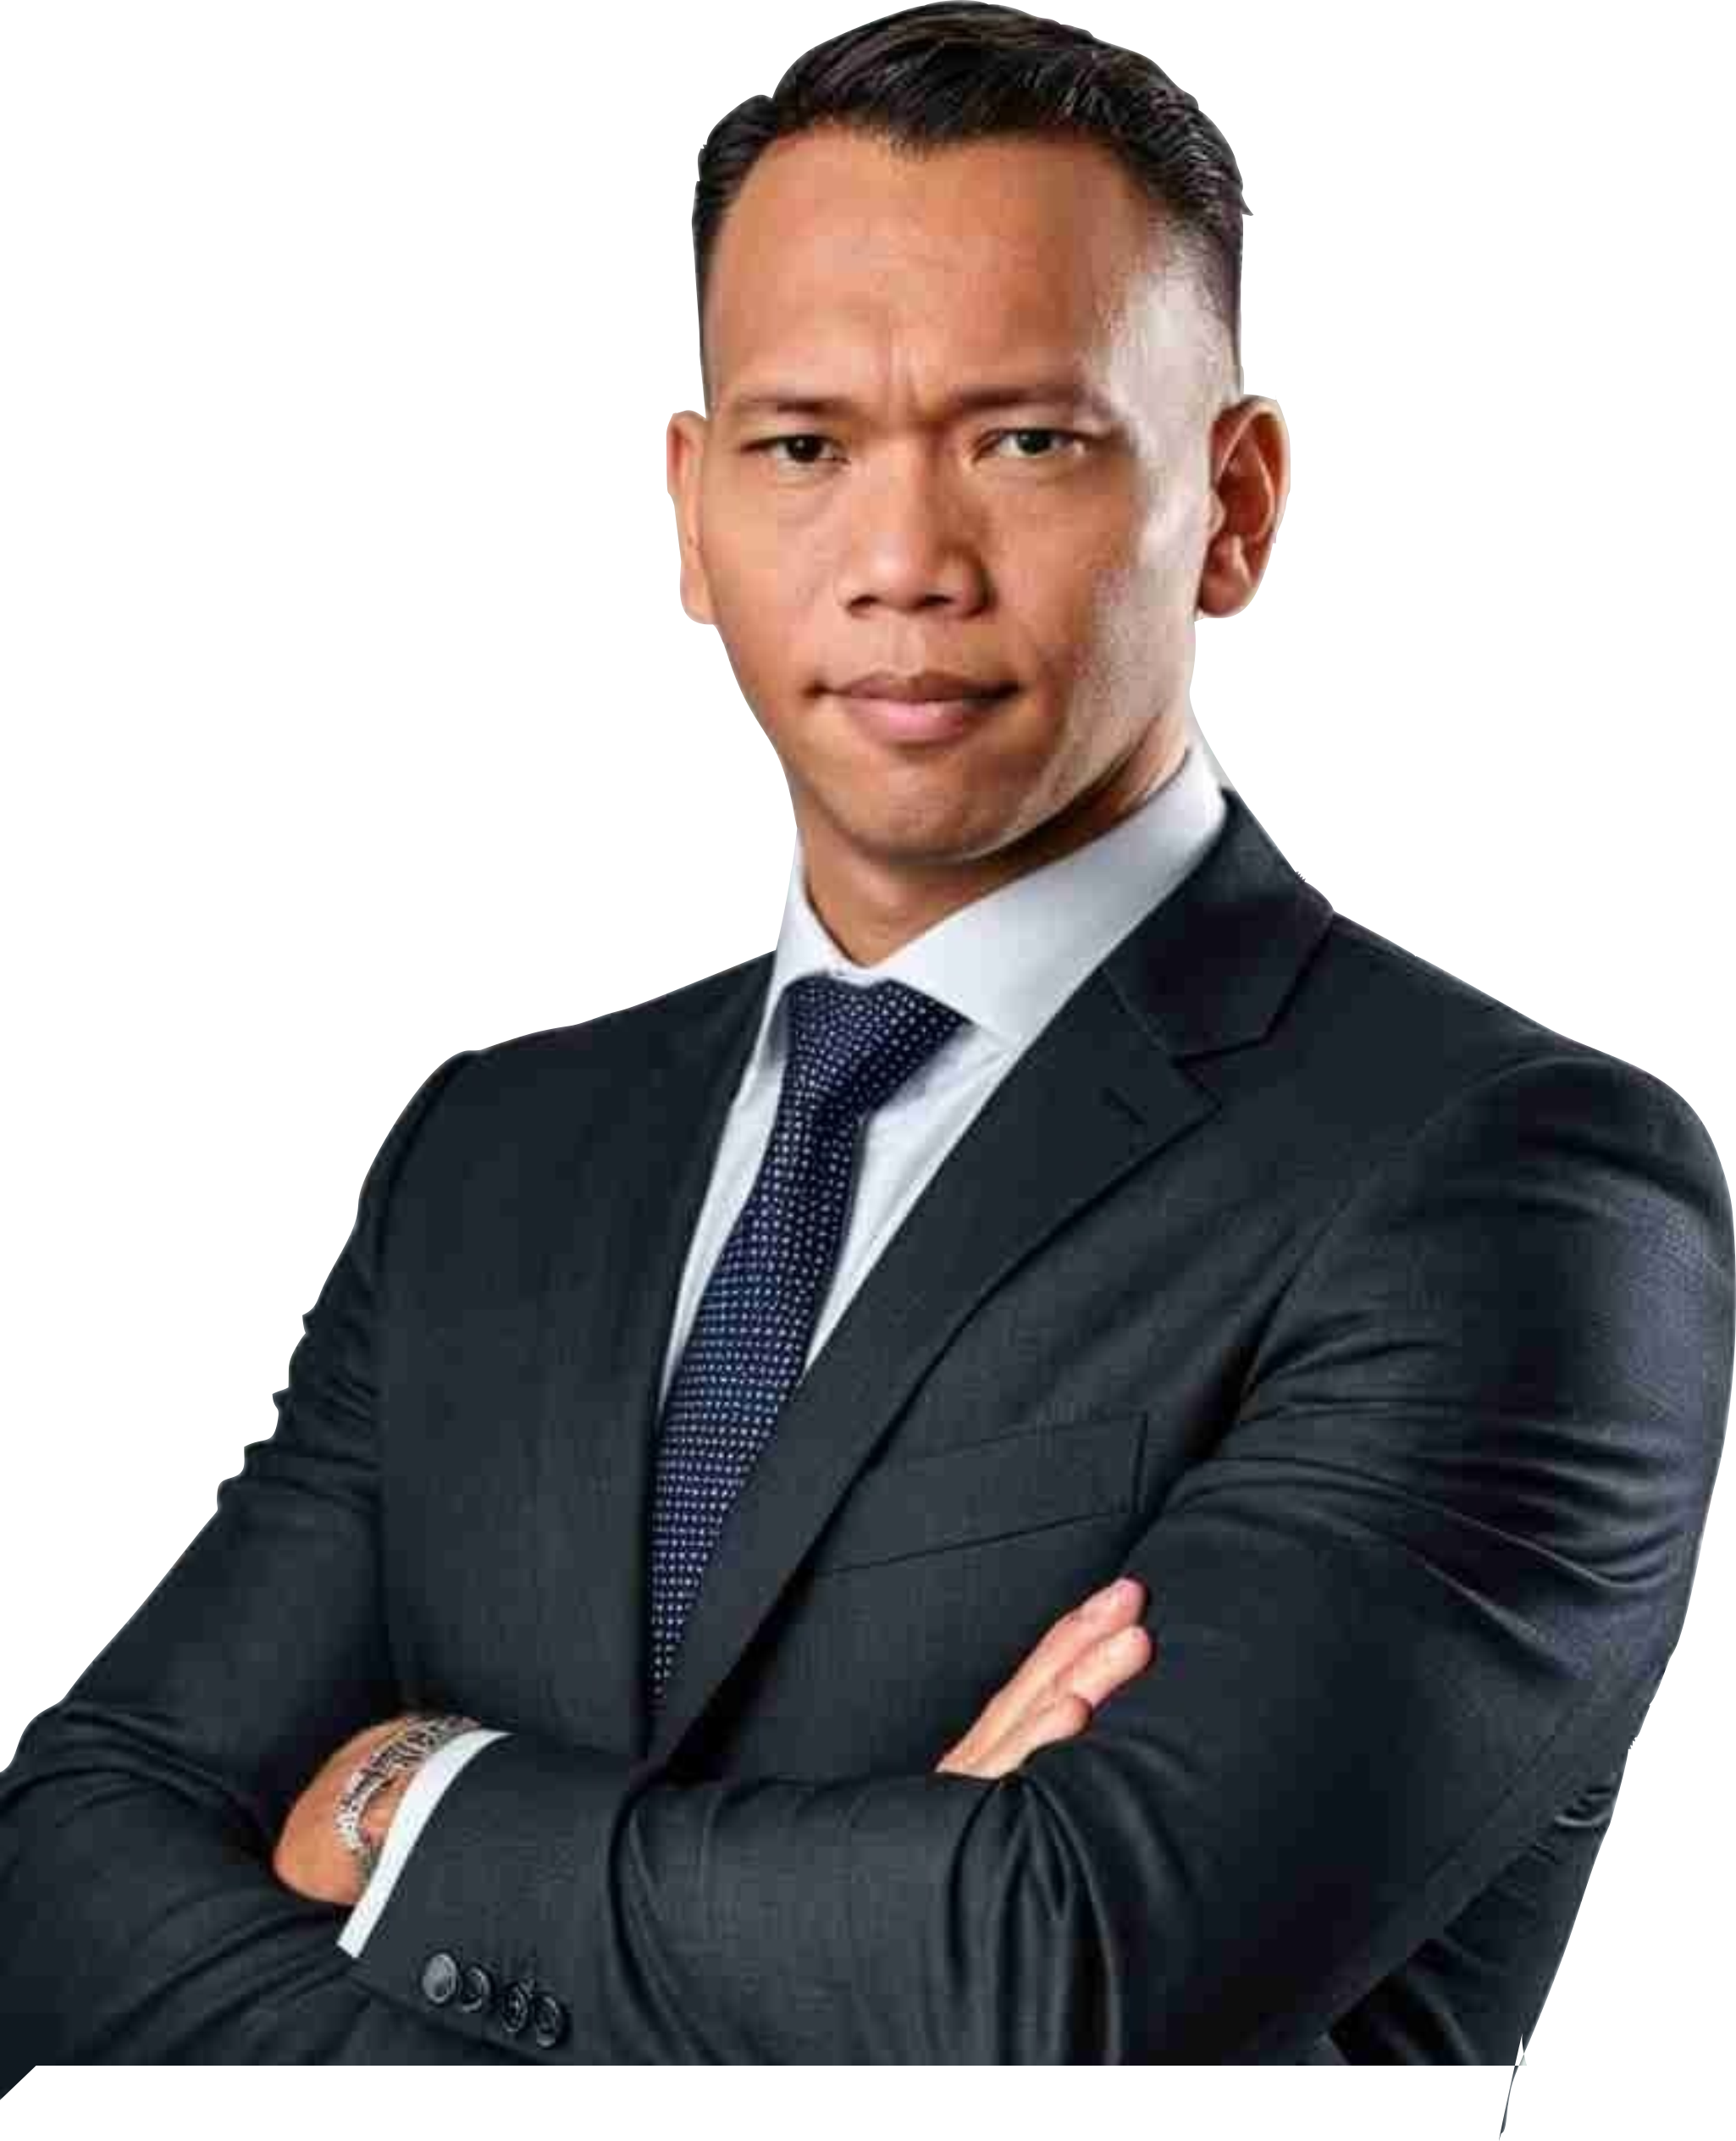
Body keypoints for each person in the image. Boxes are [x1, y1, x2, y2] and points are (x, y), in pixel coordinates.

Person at [0, 0, 1729, 2071]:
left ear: (1234, 501)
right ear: (689, 507)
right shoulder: (494, 1160)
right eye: (803, 448)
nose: (902, 565)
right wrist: (851, 1916)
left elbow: (1052, 1970)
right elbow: (61, 1874)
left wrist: (405, 1802)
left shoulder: (1509, 1187)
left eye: (1025, 441)